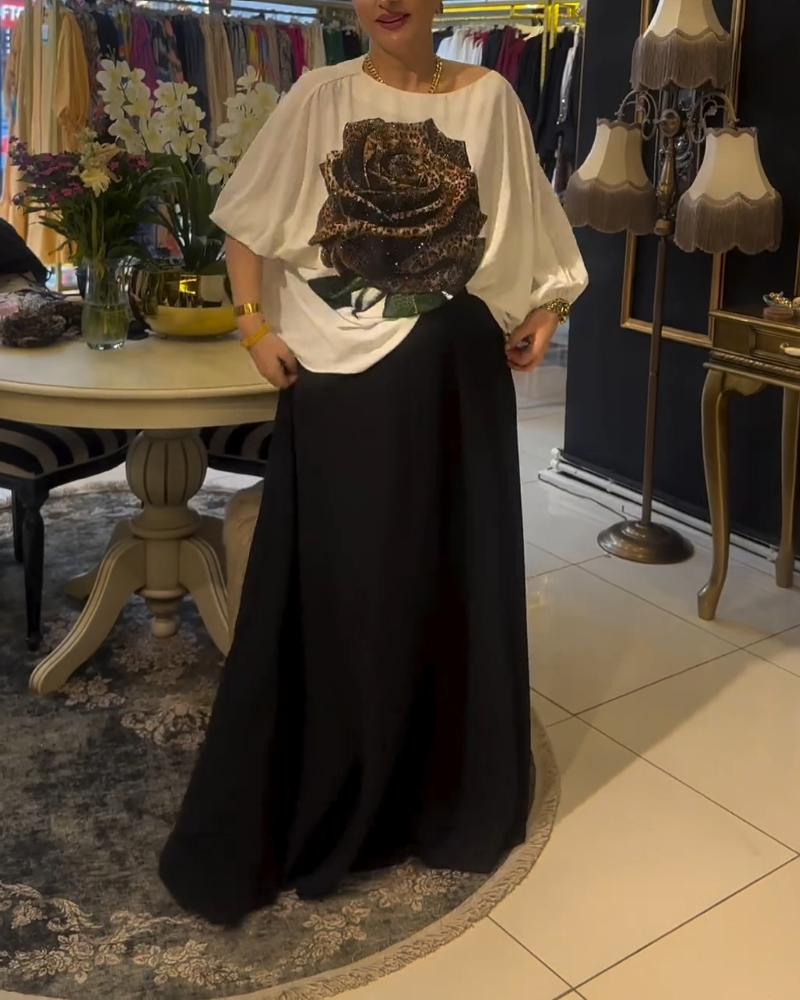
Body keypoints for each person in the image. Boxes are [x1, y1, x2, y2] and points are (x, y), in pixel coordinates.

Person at [159, 0, 588, 926]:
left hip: (458, 387)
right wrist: (253, 325)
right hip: (342, 389)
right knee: (350, 584)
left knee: (447, 575)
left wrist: (547, 310)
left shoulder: (493, 98)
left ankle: (440, 792)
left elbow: (532, 229)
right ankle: (343, 789)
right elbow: (248, 221)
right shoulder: (319, 95)